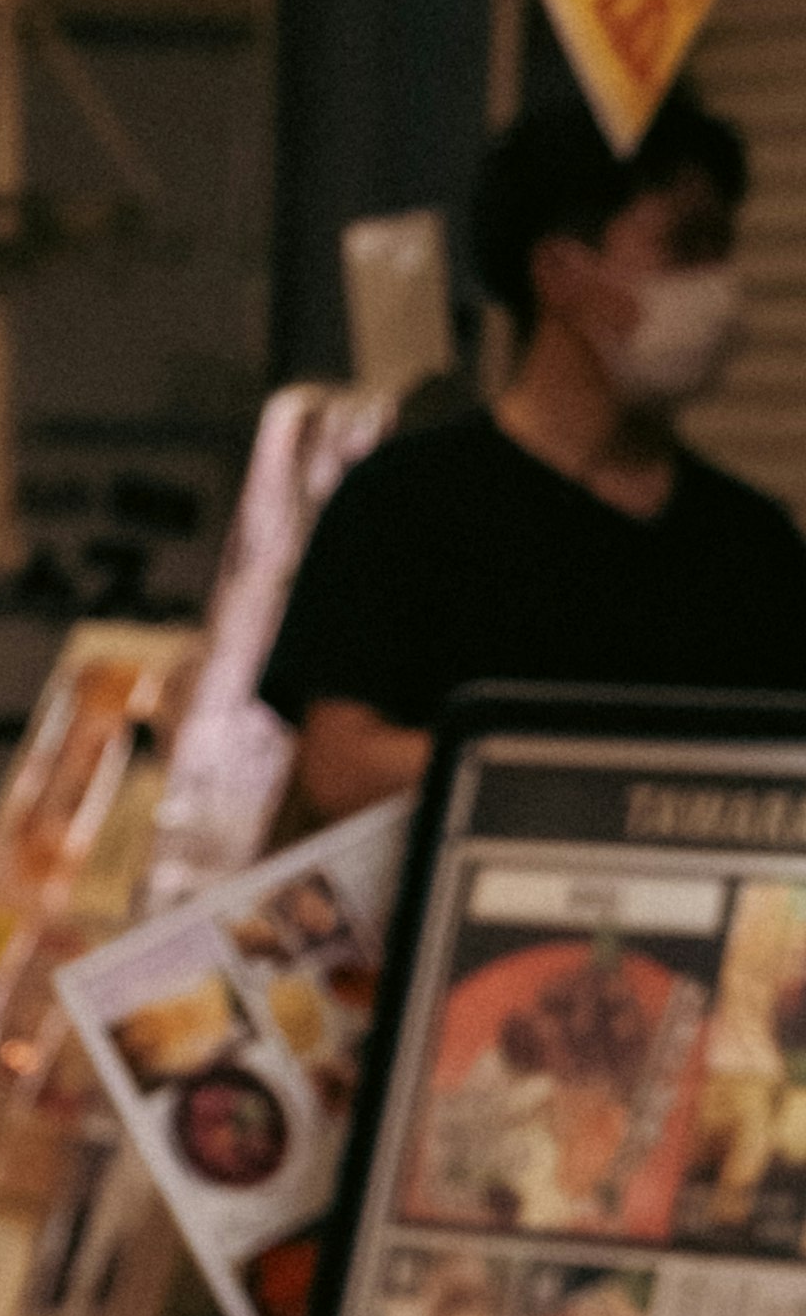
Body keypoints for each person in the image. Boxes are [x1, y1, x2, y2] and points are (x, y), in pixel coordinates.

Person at [263, 81, 806, 822]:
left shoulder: (753, 544)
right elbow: (338, 769)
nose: (718, 287)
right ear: (558, 272)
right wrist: (599, 777)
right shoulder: (406, 504)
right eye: (686, 246)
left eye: (722, 248)